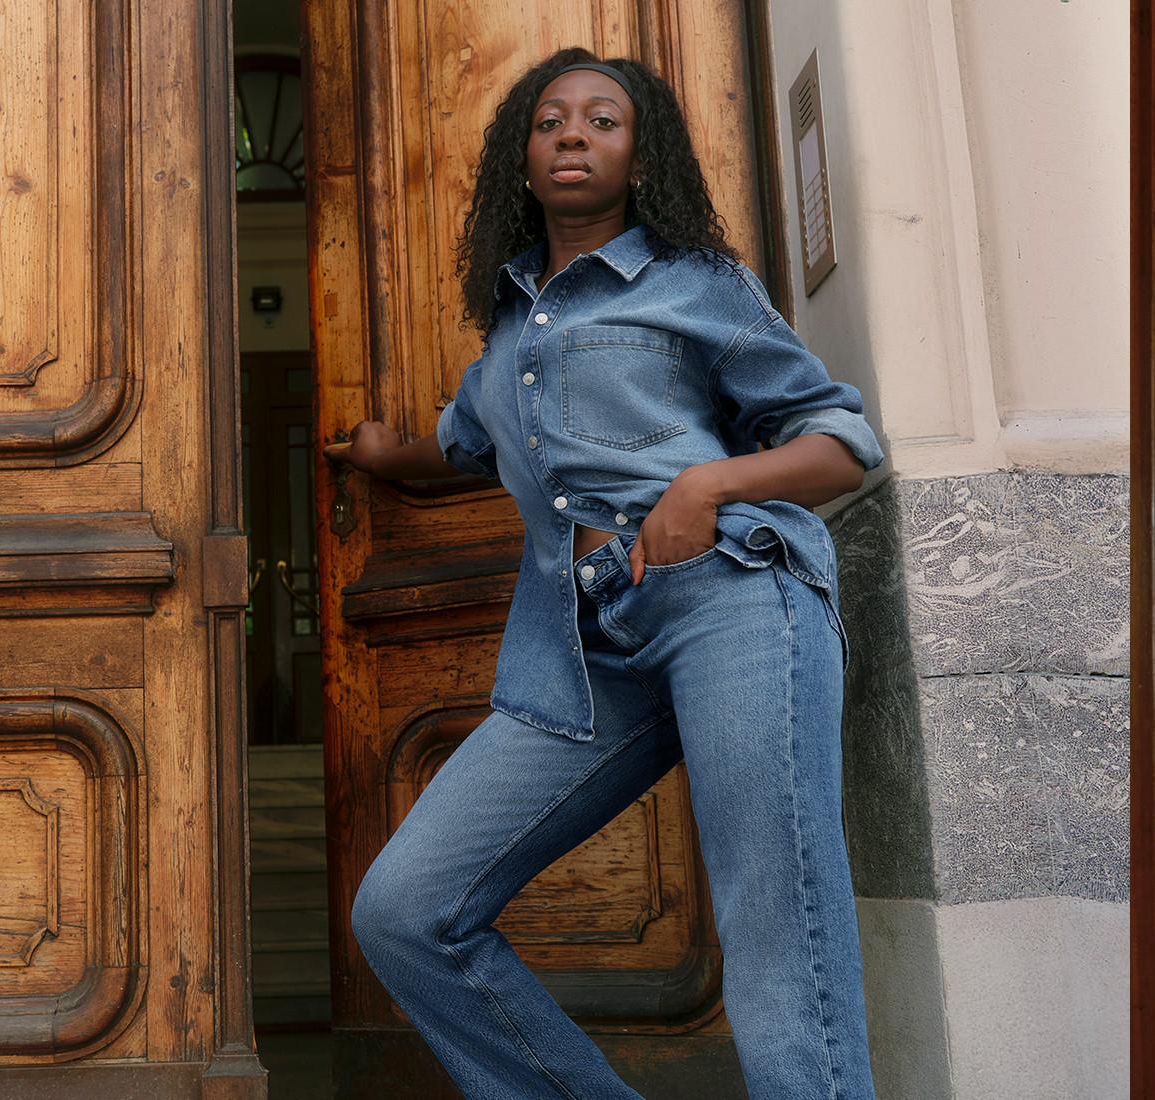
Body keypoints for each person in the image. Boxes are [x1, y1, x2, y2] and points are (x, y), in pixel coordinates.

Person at [322, 48, 886, 1099]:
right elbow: (463, 443)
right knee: (405, 908)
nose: (573, 134)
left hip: (730, 597)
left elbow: (842, 444)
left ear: (642, 152)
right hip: (577, 650)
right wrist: (375, 451)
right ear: (520, 160)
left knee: (775, 907)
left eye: (602, 120)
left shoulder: (697, 283)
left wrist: (706, 484)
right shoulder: (508, 330)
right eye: (549, 122)